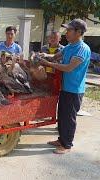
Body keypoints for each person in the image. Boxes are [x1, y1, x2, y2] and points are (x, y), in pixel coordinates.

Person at [39, 19, 91, 154]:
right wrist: (45, 56)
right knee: (62, 115)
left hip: (74, 90)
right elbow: (55, 56)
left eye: (69, 30)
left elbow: (68, 68)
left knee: (69, 118)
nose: (66, 33)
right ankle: (61, 139)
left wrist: (48, 64)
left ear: (79, 32)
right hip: (65, 87)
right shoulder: (68, 47)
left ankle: (67, 145)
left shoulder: (82, 49)